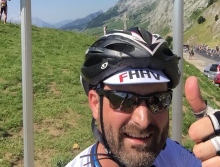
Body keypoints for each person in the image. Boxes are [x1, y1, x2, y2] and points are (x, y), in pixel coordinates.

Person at [65, 27, 220, 167]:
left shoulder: (172, 154)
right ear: (95, 104)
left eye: (159, 100)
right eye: (123, 99)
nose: (144, 121)